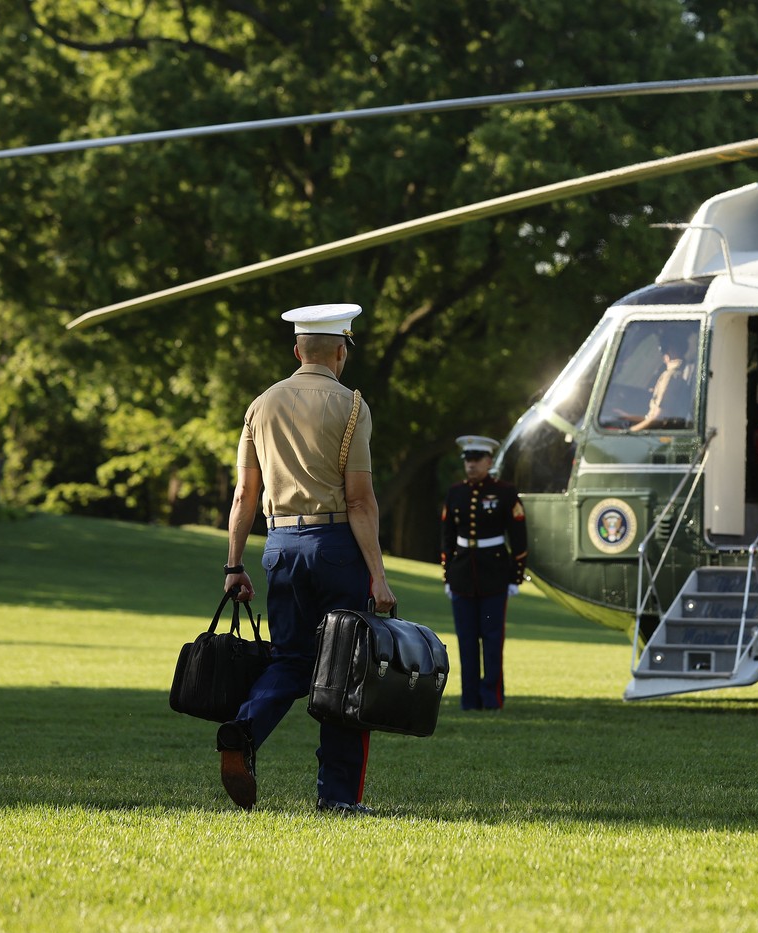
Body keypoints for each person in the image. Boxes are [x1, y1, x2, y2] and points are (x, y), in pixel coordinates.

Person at [218, 302, 396, 816]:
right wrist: (379, 576)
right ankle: (337, 797)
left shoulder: (260, 405)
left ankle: (244, 729)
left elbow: (244, 495)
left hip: (280, 547)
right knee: (346, 669)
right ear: (341, 352)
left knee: (292, 659)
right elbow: (360, 500)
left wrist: (234, 565)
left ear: (297, 351)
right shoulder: (352, 406)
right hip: (336, 547)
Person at [440, 435, 528, 711]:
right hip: (463, 576)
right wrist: (447, 574)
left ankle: (491, 699)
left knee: (491, 640)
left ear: (489, 461)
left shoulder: (505, 492)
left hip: (494, 576)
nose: (471, 465)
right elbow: (447, 537)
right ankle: (469, 699)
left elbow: (519, 536)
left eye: (477, 460)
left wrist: (515, 576)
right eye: (468, 459)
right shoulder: (455, 492)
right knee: (466, 640)